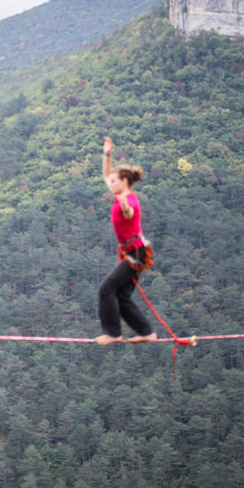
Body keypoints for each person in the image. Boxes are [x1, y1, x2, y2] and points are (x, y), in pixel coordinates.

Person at [96, 136, 158, 346]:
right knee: (121, 296)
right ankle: (146, 332)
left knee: (106, 290)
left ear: (124, 182)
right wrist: (107, 153)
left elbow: (129, 213)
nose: (109, 183)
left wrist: (123, 206)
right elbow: (106, 174)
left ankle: (113, 333)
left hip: (136, 253)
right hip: (133, 252)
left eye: (114, 181)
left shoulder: (129, 201)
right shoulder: (120, 193)